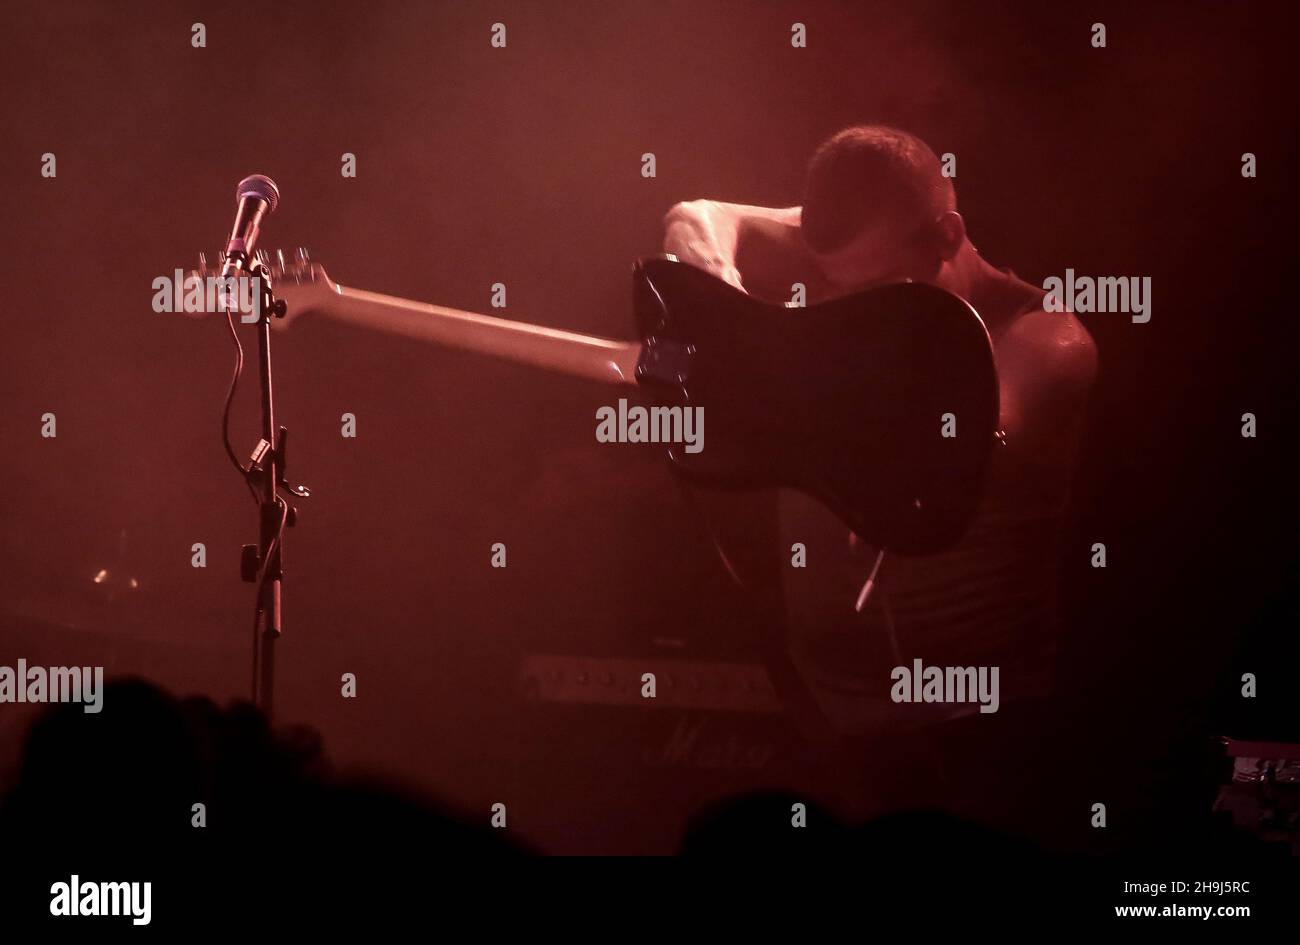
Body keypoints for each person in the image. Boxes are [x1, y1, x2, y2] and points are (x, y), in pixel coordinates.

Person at [661, 126, 1098, 831]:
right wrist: (720, 300)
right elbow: (699, 214)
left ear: (948, 233)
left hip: (976, 725)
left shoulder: (1047, 340)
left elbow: (937, 446)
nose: (862, 310)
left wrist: (761, 374)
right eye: (844, 286)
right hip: (831, 716)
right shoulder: (860, 256)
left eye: (885, 285)